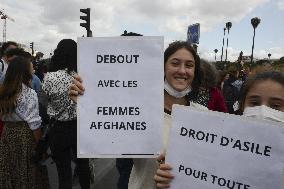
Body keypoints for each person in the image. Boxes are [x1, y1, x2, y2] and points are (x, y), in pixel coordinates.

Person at [69, 40, 207, 189]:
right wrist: (85, 100)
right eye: (175, 63)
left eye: (189, 65)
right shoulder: (138, 110)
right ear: (162, 68)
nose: (182, 70)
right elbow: (105, 134)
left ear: (195, 71)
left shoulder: (204, 116)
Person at [154, 71, 284, 188]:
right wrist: (174, 179)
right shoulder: (219, 146)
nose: (263, 110)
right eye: (254, 103)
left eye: (276, 105)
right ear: (243, 105)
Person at [42, 39, 90, 189]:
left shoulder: (50, 77)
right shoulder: (83, 76)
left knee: (63, 173)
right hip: (79, 127)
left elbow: (44, 101)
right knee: (83, 168)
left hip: (58, 129)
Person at [0, 56, 49, 189]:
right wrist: (40, 145)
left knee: (10, 171)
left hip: (7, 134)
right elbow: (34, 124)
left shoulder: (4, 91)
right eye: (31, 66)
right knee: (26, 171)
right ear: (24, 71)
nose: (33, 68)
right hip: (24, 136)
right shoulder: (29, 93)